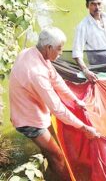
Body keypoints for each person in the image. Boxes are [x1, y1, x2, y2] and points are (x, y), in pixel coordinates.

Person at [9, 27, 100, 180]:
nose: (60, 53)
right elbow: (57, 109)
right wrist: (84, 128)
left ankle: (49, 166)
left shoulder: (34, 53)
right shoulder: (36, 72)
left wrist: (75, 100)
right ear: (48, 47)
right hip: (28, 120)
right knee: (57, 155)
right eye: (59, 49)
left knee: (51, 148)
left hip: (30, 107)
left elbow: (56, 79)